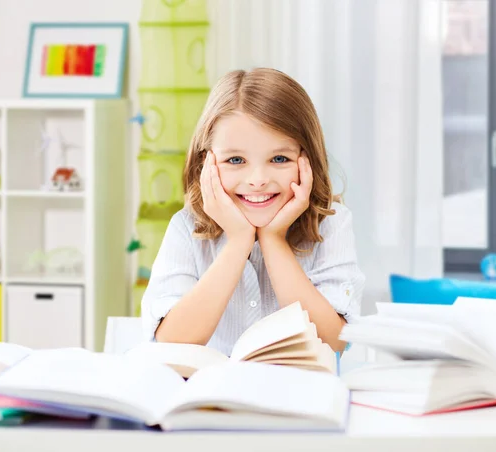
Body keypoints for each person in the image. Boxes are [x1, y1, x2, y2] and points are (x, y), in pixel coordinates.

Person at [141, 67, 365, 355]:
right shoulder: (187, 227)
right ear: (206, 163)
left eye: (279, 158)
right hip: (210, 397)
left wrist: (273, 240)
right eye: (236, 160)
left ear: (306, 160)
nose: (257, 179)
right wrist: (238, 242)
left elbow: (332, 340)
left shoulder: (331, 224)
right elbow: (172, 342)